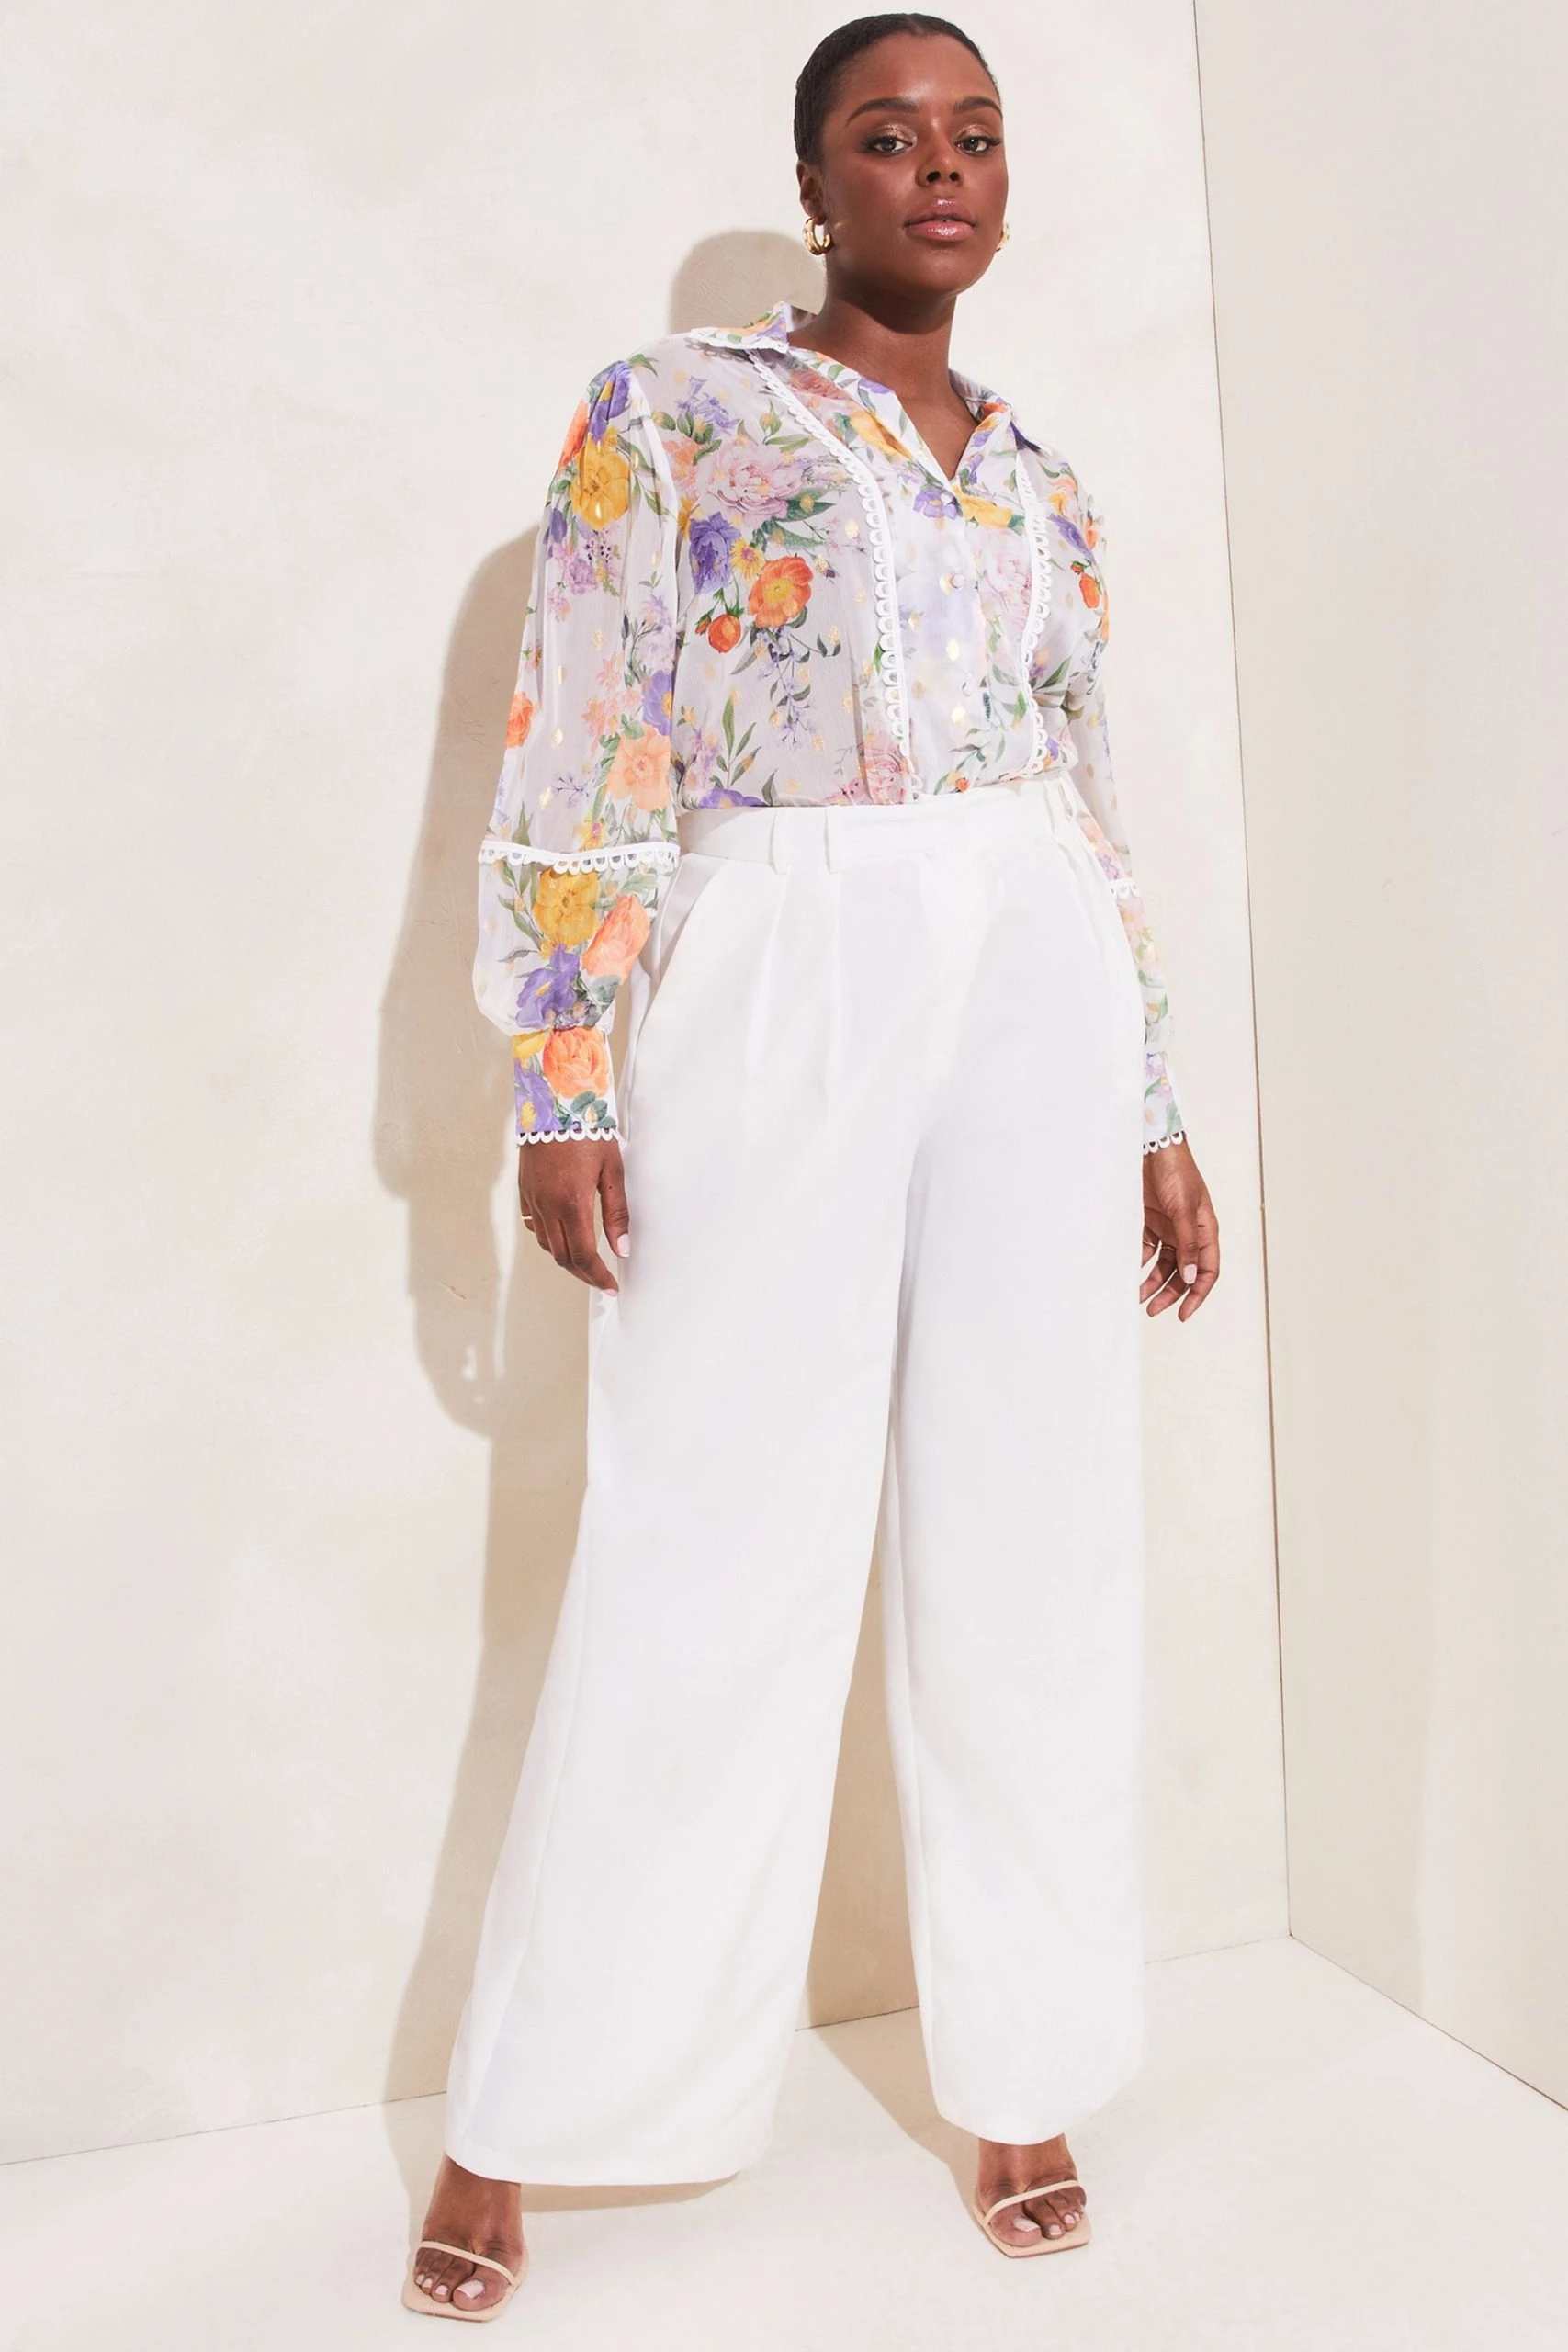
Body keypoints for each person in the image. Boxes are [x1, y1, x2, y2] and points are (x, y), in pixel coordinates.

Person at [403, 10, 1220, 2319]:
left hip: (1032, 969)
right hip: (784, 945)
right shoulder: (673, 410)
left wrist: (1151, 1103)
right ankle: (526, 2110)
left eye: (975, 136)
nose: (939, 169)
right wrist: (565, 1070)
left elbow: (1085, 795)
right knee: (705, 1528)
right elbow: (584, 728)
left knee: (1034, 1525)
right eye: (888, 136)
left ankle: (1024, 2066)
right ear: (815, 182)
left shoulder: (1044, 481)